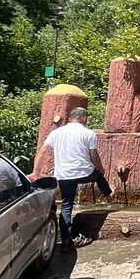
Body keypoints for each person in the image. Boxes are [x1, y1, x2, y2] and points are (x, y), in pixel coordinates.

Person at [34, 107, 113, 249]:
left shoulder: (56, 133)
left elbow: (43, 150)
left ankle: (65, 241)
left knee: (66, 206)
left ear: (70, 118)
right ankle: (109, 197)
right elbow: (94, 156)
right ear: (84, 119)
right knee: (99, 176)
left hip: (64, 175)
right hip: (84, 172)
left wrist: (35, 171)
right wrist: (100, 167)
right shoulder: (88, 133)